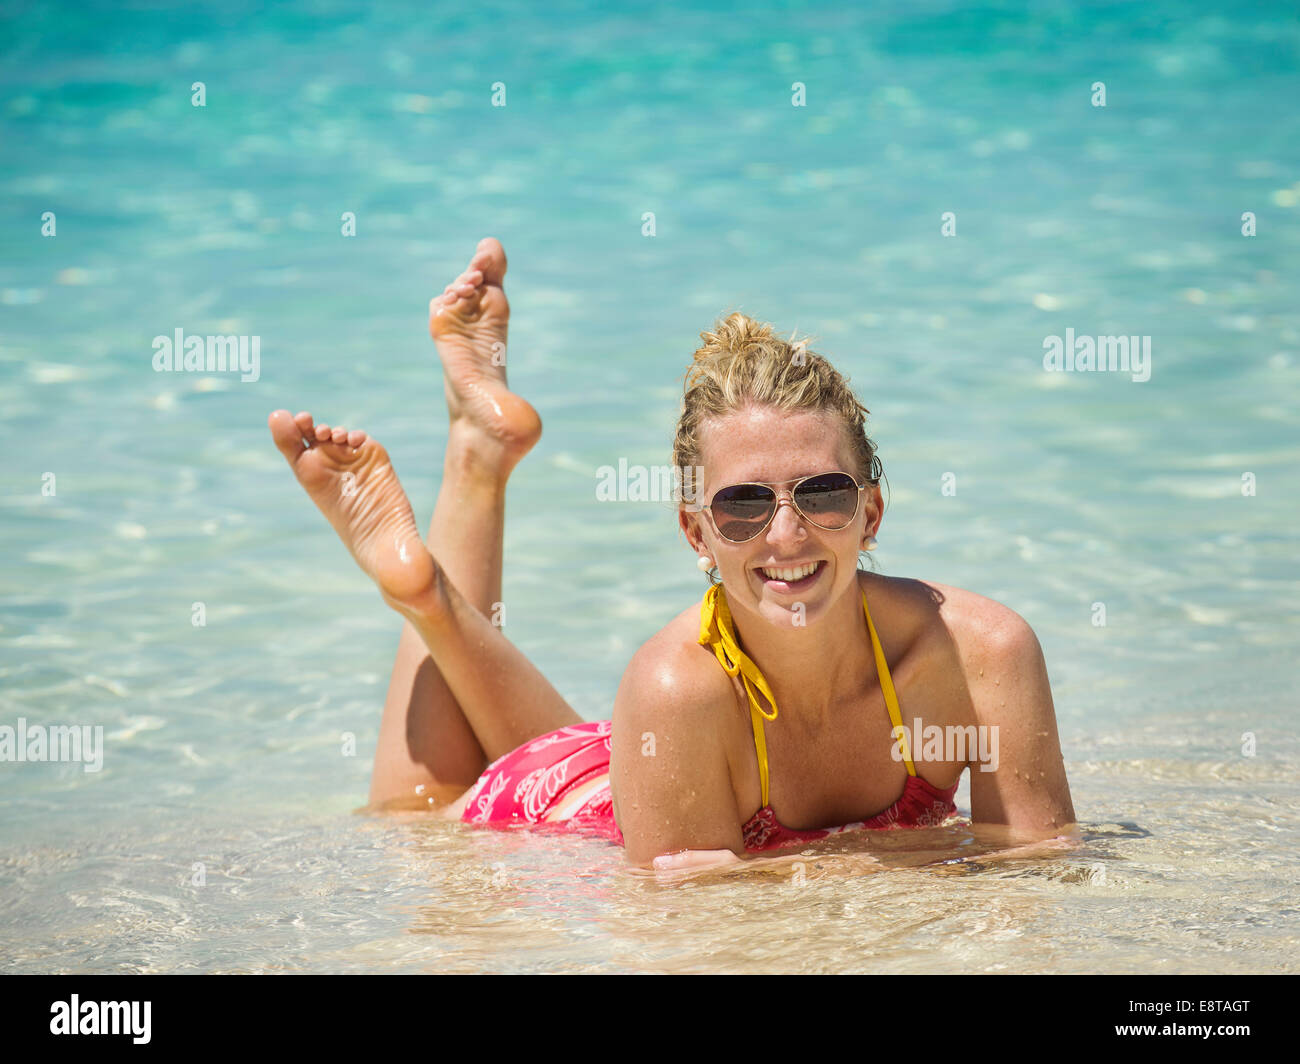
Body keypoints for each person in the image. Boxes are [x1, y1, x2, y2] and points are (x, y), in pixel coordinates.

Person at [268, 237, 1076, 873]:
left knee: (612, 738)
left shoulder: (984, 654)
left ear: (870, 510)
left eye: (823, 493)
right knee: (411, 819)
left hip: (642, 766)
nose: (788, 535)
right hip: (565, 807)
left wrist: (832, 872)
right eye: (744, 504)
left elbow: (1043, 872)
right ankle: (429, 572)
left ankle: (472, 473)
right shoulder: (673, 689)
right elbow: (700, 945)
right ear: (696, 532)